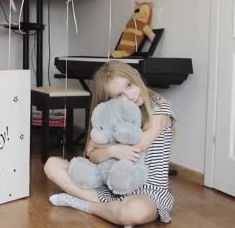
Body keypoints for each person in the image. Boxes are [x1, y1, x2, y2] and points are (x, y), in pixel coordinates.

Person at [44, 61, 176, 227]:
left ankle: (84, 204)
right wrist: (113, 150)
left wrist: (105, 149)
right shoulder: (113, 113)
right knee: (51, 165)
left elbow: (138, 146)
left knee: (133, 213)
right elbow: (92, 156)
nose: (130, 96)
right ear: (109, 101)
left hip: (148, 192)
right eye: (119, 95)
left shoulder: (159, 106)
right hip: (110, 186)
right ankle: (111, 208)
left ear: (135, 75)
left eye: (129, 85)